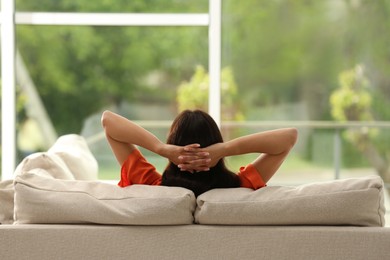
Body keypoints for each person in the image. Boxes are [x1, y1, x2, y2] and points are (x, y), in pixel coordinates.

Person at [101, 109, 298, 196]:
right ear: (216, 142)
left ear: (174, 144)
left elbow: (108, 121)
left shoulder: (151, 184)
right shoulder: (242, 187)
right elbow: (289, 137)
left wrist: (161, 149)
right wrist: (225, 149)